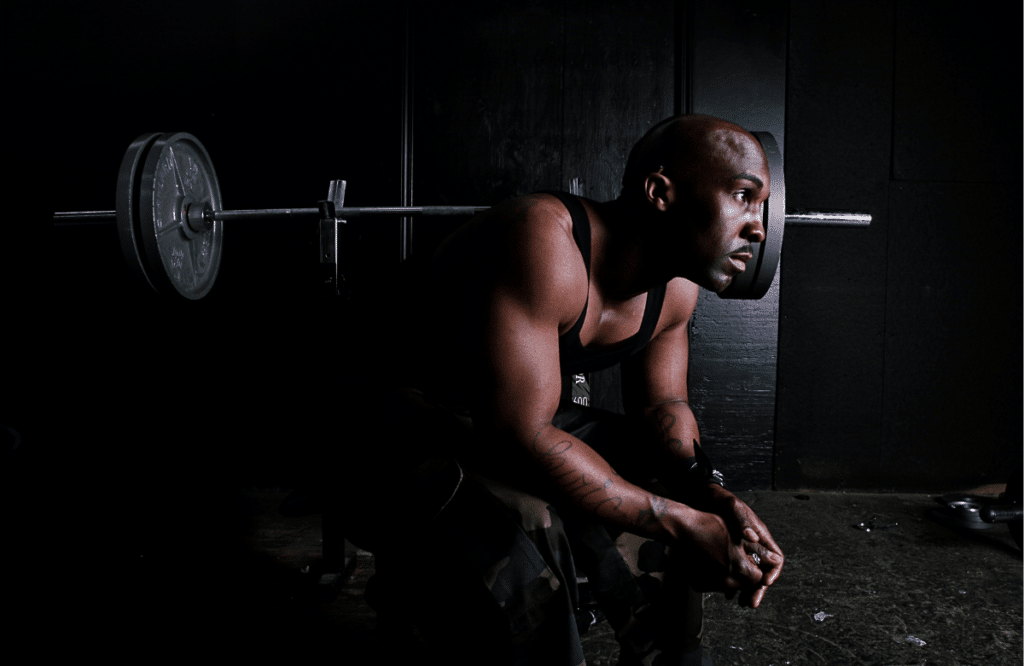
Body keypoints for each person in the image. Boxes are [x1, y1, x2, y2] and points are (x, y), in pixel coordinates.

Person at [340, 114, 785, 666]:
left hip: (494, 418)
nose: (760, 228)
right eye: (743, 196)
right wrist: (680, 520)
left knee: (669, 483)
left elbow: (663, 408)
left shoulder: (674, 294)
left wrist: (712, 499)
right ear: (661, 193)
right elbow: (519, 437)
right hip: (387, 429)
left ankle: (670, 656)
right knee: (531, 520)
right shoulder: (543, 239)